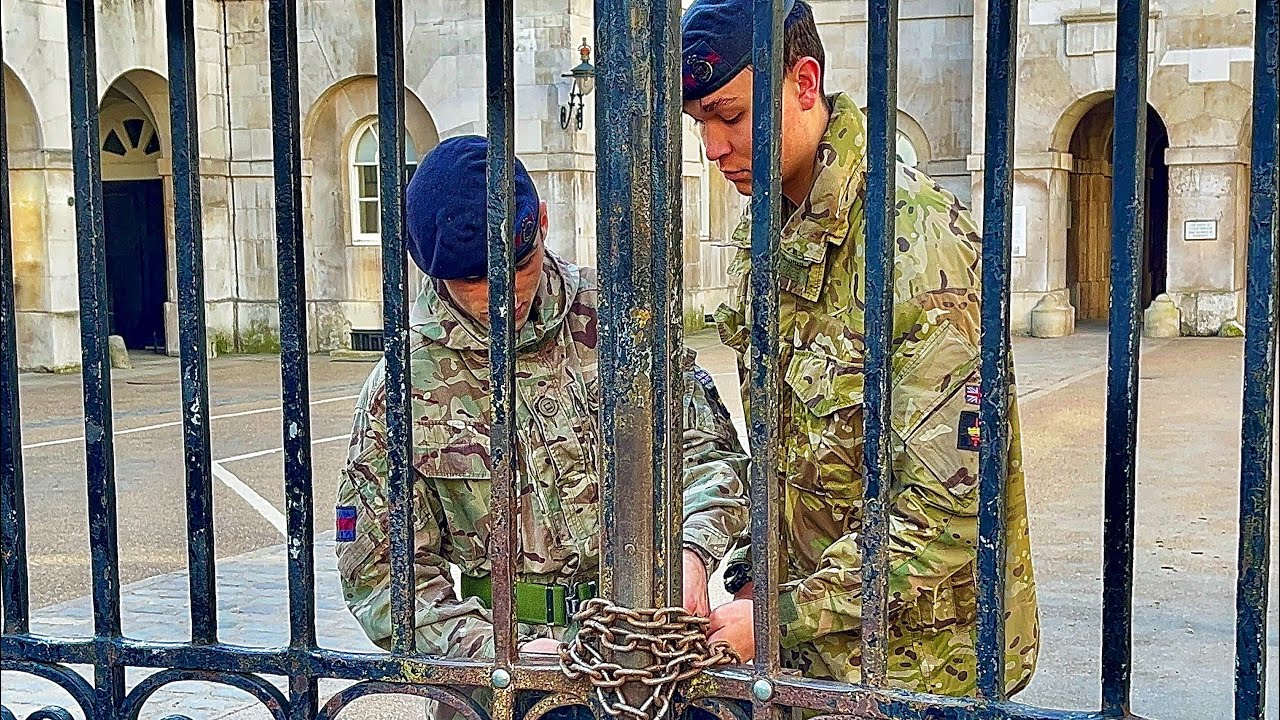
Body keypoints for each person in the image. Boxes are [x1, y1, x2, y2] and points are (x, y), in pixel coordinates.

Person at [679, 0, 1040, 695]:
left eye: (731, 116)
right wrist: (758, 569)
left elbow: (952, 513)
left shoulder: (917, 244)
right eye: (702, 125)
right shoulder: (769, 232)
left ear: (805, 84)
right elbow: (794, 452)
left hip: (924, 667)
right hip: (817, 654)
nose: (714, 148)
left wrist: (780, 616)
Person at [334, 135, 749, 666]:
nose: (504, 291)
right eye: (474, 278)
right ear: (433, 271)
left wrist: (689, 551)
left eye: (518, 264)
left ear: (543, 222)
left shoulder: (623, 324)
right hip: (503, 671)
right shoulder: (401, 389)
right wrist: (499, 652)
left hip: (651, 646)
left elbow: (709, 455)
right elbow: (380, 576)